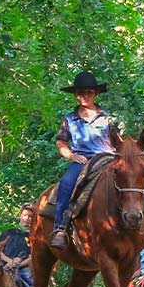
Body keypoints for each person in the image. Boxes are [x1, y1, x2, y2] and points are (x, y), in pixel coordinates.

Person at [50, 71, 117, 252]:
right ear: (75, 95)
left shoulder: (108, 117)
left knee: (132, 180)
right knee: (66, 183)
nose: (84, 96)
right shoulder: (69, 119)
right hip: (83, 160)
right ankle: (60, 228)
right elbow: (61, 141)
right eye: (80, 93)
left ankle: (137, 222)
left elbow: (118, 139)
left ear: (95, 94)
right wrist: (70, 155)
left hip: (107, 158)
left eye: (88, 92)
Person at [0, 203, 35, 287]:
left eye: (30, 216)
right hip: (5, 266)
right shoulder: (9, 230)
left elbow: (32, 257)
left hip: (23, 268)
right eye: (25, 215)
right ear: (20, 215)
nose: (27, 218)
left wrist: (18, 264)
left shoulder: (33, 236)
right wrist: (10, 261)